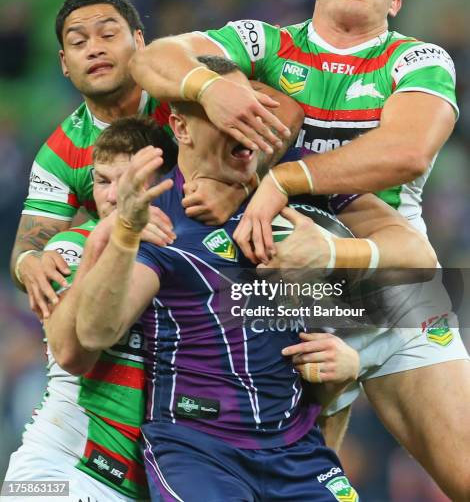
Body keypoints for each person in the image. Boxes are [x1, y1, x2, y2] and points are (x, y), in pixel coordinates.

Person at [126, 0, 470, 499]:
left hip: (388, 280)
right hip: (280, 293)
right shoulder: (264, 44)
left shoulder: (418, 58)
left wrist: (283, 180)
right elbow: (156, 58)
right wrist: (209, 87)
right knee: (298, 475)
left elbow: (409, 151)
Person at [71, 57, 436, 502]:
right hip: (198, 451)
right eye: (230, 114)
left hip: (298, 453)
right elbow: (93, 332)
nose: (250, 125)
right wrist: (125, 237)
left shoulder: (299, 177)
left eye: (256, 109)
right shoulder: (154, 214)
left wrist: (342, 351)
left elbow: (422, 268)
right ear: (182, 129)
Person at [10, 0, 301, 320]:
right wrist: (27, 264)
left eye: (107, 34)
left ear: (139, 41)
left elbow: (287, 112)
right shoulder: (58, 155)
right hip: (151, 297)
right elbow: (28, 245)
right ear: (64, 63)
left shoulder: (186, 91)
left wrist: (239, 187)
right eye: (78, 43)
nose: (94, 49)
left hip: (245, 267)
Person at [3, 116, 177, 501]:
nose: (113, 196)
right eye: (102, 181)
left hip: (150, 483)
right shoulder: (71, 247)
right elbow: (69, 352)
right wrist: (105, 235)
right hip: (58, 470)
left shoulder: (191, 254)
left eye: (128, 179)